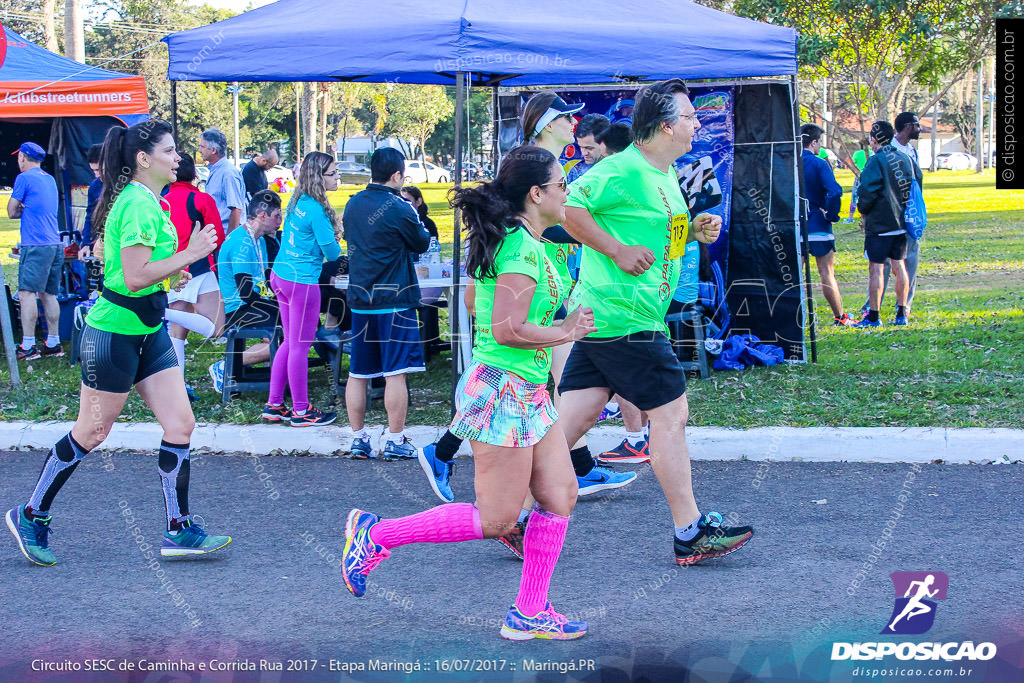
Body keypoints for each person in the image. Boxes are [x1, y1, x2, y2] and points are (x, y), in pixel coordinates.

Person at [341, 145, 593, 641]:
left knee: (560, 495)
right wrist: (564, 331)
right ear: (537, 193)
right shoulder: (520, 248)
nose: (568, 191)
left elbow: (481, 302)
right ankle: (375, 535)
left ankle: (529, 611)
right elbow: (504, 329)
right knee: (499, 519)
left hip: (526, 389)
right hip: (503, 391)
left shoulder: (525, 240)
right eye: (562, 184)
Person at [4, 120, 230, 567]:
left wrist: (172, 270)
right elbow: (133, 277)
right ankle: (31, 514)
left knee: (180, 424)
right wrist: (190, 253)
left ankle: (178, 529)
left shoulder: (149, 200)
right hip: (112, 337)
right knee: (92, 432)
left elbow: (140, 269)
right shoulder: (139, 204)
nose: (179, 157)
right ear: (144, 159)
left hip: (148, 333)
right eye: (170, 150)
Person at [559, 79, 755, 566]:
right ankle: (689, 532)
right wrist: (616, 250)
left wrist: (694, 235)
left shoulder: (665, 174)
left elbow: (660, 242)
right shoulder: (621, 169)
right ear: (666, 125)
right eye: (690, 117)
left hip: (617, 317)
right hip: (623, 316)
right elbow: (565, 209)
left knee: (568, 426)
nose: (696, 124)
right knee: (670, 417)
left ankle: (508, 514)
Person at [342, 148, 431, 459]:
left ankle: (358, 438)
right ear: (396, 176)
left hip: (360, 299)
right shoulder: (399, 206)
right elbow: (421, 242)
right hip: (395, 300)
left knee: (359, 372)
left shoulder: (352, 205)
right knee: (396, 372)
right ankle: (395, 439)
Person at [263, 152, 341, 426]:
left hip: (281, 276)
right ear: (319, 177)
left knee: (289, 341)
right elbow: (332, 253)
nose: (337, 177)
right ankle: (301, 410)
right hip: (302, 284)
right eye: (332, 173)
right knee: (300, 345)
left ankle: (274, 404)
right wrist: (337, 235)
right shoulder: (318, 211)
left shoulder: (298, 201)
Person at [163, 152, 227, 394]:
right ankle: (162, 312)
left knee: (177, 334)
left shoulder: (161, 200)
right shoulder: (201, 199)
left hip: (170, 269)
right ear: (193, 173)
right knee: (217, 327)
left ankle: (177, 389)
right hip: (198, 267)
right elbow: (217, 237)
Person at [209, 190, 283, 392]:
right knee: (289, 330)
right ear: (262, 216)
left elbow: (265, 280)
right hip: (239, 309)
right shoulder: (242, 241)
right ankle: (224, 366)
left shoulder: (258, 239)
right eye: (277, 216)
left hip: (253, 303)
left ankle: (268, 368)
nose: (280, 221)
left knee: (291, 324)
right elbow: (246, 292)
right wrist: (276, 307)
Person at [853, 121, 918, 328]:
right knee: (900, 266)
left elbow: (867, 192)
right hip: (901, 222)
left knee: (876, 269)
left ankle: (873, 316)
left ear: (874, 139)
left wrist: (862, 210)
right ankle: (901, 314)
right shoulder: (905, 158)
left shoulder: (875, 161)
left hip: (880, 224)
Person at [7, 141, 63, 361]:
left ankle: (28, 345)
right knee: (49, 294)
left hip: (36, 244)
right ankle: (54, 343)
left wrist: (21, 208)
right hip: (54, 244)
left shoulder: (23, 179)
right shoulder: (49, 179)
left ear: (22, 157)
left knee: (26, 293)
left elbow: (11, 211)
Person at [800, 123, 852, 326]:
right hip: (819, 226)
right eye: (819, 142)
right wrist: (831, 214)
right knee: (826, 273)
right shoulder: (819, 163)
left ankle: (798, 320)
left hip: (796, 226)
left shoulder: (788, 163)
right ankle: (840, 316)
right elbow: (835, 191)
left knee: (796, 277)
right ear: (813, 142)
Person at [198, 128, 245, 233]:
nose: (199, 150)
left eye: (202, 146)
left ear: (214, 150)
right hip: (216, 236)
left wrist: (229, 242)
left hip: (225, 237)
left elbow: (236, 209)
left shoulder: (228, 173)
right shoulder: (216, 170)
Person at [566, 114, 611, 183]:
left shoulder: (623, 169)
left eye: (589, 148)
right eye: (581, 147)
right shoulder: (575, 171)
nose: (584, 153)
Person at [79, 143, 103, 260]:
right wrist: (86, 244)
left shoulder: (126, 183)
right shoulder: (95, 186)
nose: (97, 174)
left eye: (99, 170)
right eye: (93, 170)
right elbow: (90, 216)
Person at [844, 138, 871, 223]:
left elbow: (852, 164)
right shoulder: (872, 153)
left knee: (854, 197)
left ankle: (850, 217)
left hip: (859, 176)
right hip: (869, 177)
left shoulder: (857, 153)